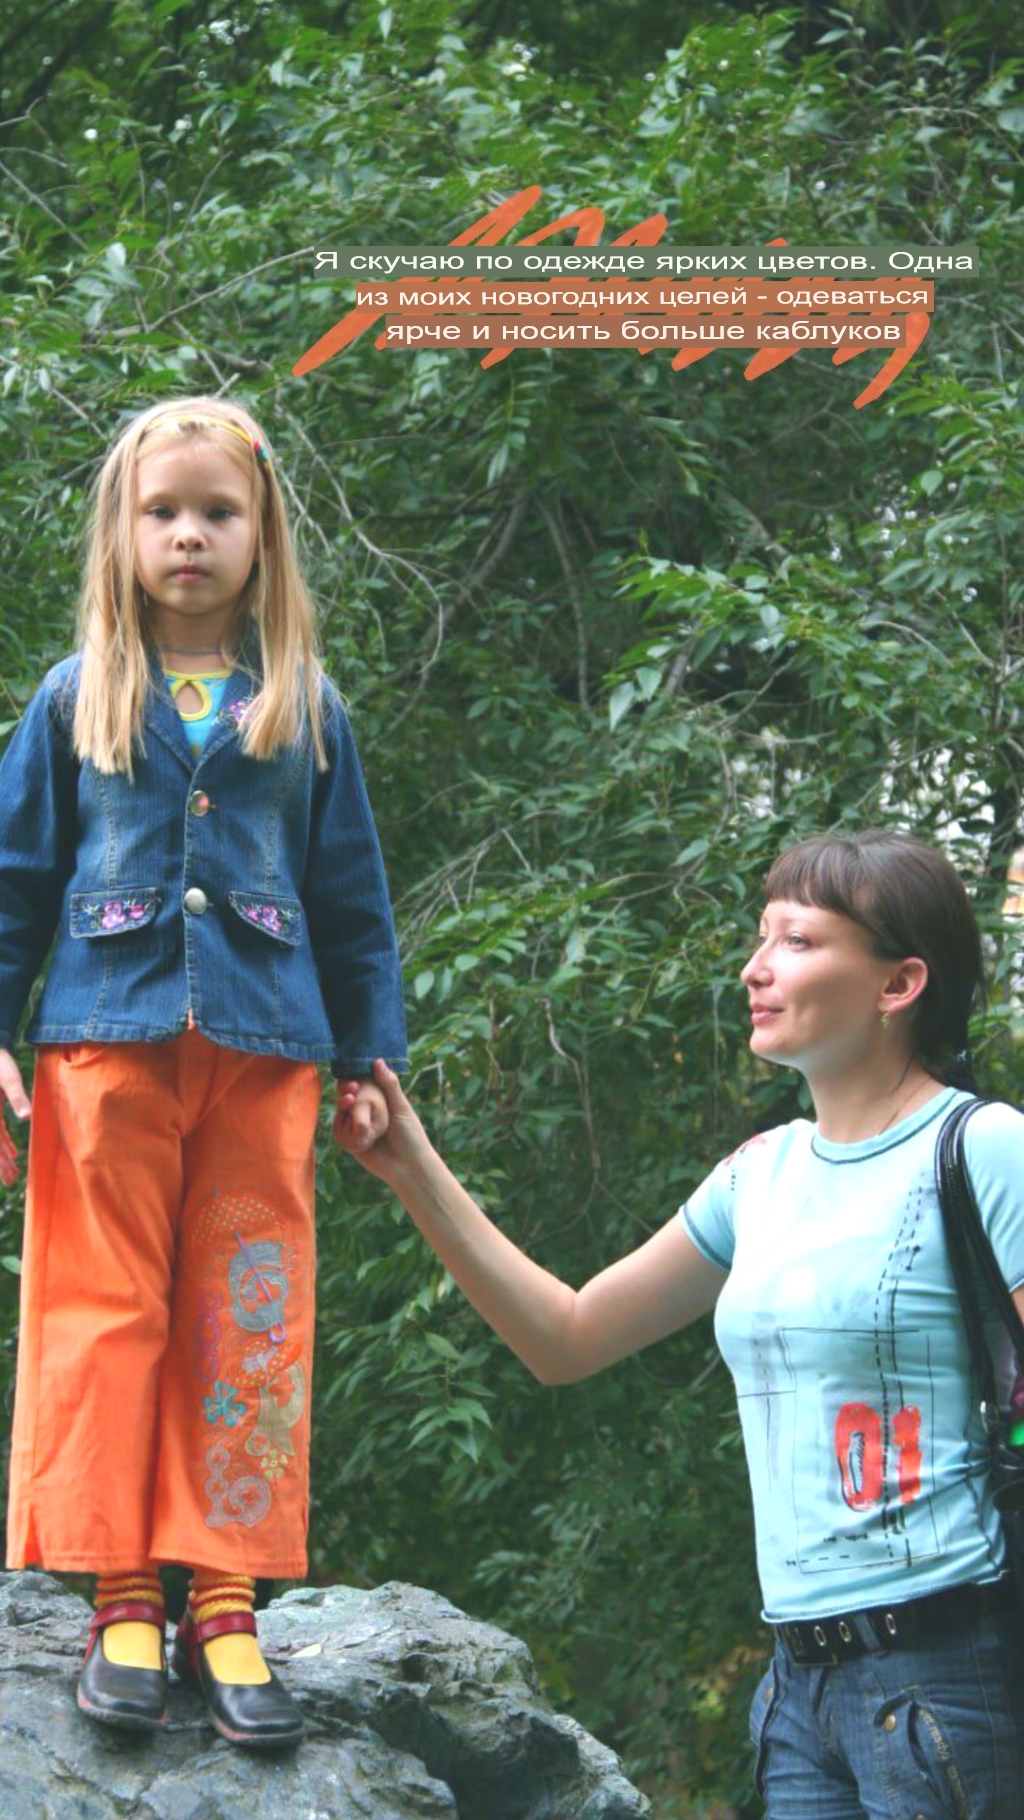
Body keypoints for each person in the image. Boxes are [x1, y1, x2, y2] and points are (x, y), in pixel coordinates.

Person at [334, 830, 1024, 1818]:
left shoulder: (985, 1148)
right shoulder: (759, 1174)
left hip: (944, 1675)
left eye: (797, 940)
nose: (755, 967)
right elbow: (566, 1337)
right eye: (760, 936)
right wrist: (408, 1161)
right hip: (797, 1694)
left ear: (898, 983)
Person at [0, 395, 407, 1748]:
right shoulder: (76, 697)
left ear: (262, 537)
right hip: (102, 1054)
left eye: (217, 512)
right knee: (101, 1309)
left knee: (248, 1314)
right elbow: (13, 882)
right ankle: (122, 1588)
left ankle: (222, 1596)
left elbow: (352, 902)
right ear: (122, 534)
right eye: (162, 511)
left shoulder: (304, 707)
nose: (189, 534)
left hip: (267, 1056)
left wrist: (370, 1057)